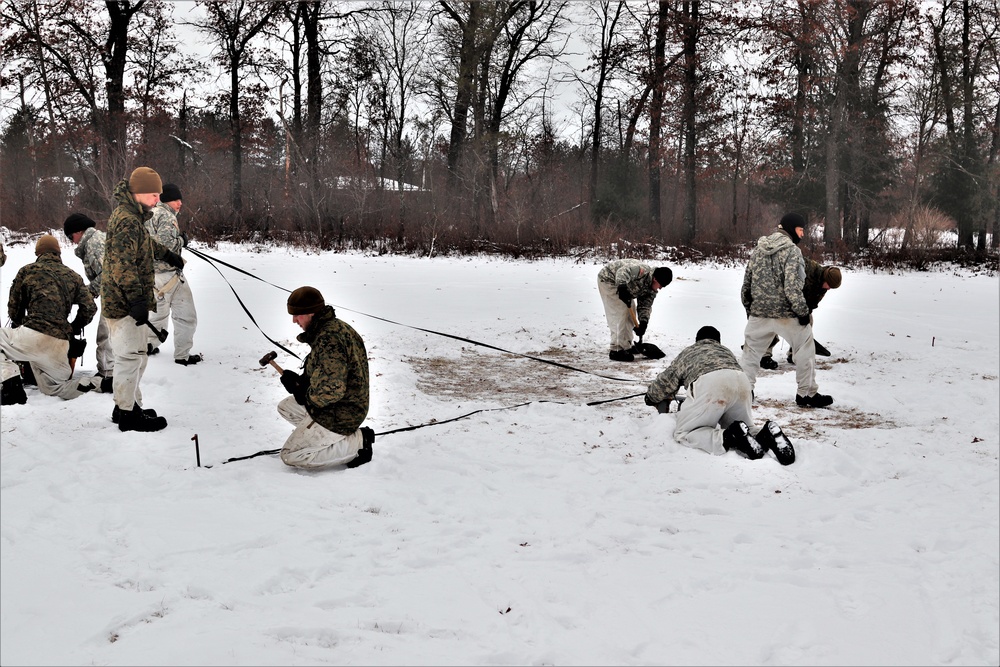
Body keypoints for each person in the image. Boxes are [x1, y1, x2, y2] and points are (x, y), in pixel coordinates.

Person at [102, 167, 185, 432]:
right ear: (137, 193)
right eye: (153, 194)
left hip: (128, 300)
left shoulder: (133, 217)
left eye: (159, 195)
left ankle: (126, 405)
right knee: (129, 357)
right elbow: (122, 266)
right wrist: (136, 300)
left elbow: (145, 244)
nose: (157, 200)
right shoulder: (126, 219)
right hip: (124, 302)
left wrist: (168, 254)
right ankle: (127, 415)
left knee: (137, 355)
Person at [645, 325, 795, 465]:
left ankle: (729, 437)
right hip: (741, 382)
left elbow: (666, 382)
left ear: (697, 340)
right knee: (746, 427)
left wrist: (651, 397)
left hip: (711, 383)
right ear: (718, 341)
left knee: (685, 433)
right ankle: (765, 434)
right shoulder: (725, 351)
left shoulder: (689, 352)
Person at [1, 235, 109, 404]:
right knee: (54, 387)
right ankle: (100, 383)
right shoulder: (74, 276)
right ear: (58, 253)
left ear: (38, 253)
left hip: (30, 335)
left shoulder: (27, 271)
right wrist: (73, 327)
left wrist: (21, 325)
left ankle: (9, 380)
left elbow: (14, 309)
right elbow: (89, 308)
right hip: (59, 344)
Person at [739, 213, 833, 408]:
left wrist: (750, 309)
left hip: (759, 313)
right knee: (805, 350)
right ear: (792, 229)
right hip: (787, 315)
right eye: (801, 230)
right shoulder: (792, 251)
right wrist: (802, 312)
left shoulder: (758, 250)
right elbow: (792, 286)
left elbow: (746, 283)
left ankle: (744, 393)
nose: (803, 235)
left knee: (750, 355)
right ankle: (806, 395)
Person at [276, 286, 374, 470]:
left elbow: (331, 391)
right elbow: (327, 374)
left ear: (311, 312)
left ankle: (359, 443)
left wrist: (303, 393)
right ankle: (322, 436)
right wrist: (300, 382)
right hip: (341, 403)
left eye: (298, 315)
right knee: (286, 407)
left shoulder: (329, 338)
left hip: (343, 411)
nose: (294, 320)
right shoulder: (329, 329)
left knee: (291, 455)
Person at [145, 183, 201, 365]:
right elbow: (166, 246)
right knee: (186, 316)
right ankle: (182, 355)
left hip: (153, 276)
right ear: (168, 200)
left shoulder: (149, 215)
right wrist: (181, 241)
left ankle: (149, 345)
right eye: (177, 200)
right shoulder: (167, 216)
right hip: (170, 275)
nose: (180, 203)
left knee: (157, 314)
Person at [760, 262, 842, 368]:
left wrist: (805, 314)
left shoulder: (823, 285)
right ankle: (764, 356)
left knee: (808, 321)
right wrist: (795, 310)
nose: (829, 288)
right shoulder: (807, 271)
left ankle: (795, 353)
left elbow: (812, 302)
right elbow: (790, 289)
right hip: (778, 295)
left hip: (798, 304)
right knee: (774, 322)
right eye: (829, 285)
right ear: (826, 278)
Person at [64, 213, 114, 379]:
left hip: (116, 293)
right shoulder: (96, 240)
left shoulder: (94, 244)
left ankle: (108, 374)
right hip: (116, 291)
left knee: (105, 334)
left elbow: (108, 274)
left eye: (71, 236)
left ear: (79, 232)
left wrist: (89, 292)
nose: (72, 241)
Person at [597, 259, 673, 361]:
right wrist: (622, 287)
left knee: (629, 312)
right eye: (661, 285)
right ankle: (616, 349)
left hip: (623, 287)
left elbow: (645, 306)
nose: (661, 288)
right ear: (655, 279)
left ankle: (626, 345)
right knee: (620, 312)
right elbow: (622, 272)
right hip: (609, 280)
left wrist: (643, 322)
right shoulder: (642, 271)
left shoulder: (651, 290)